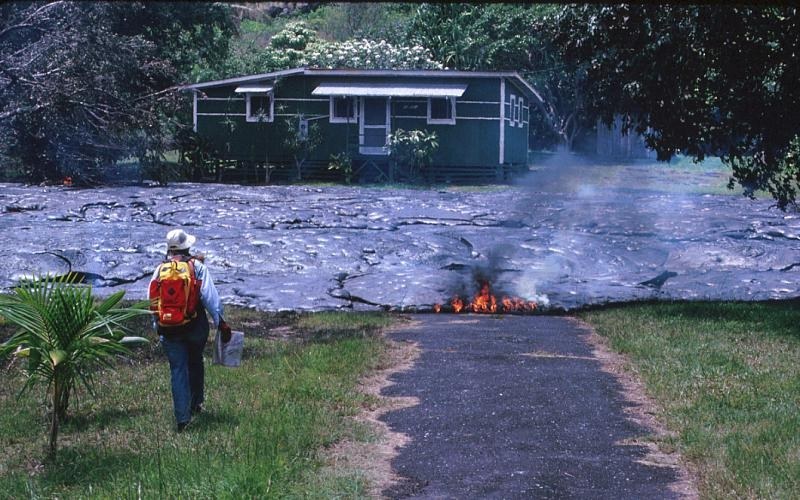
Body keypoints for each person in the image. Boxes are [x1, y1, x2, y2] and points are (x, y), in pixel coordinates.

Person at [149, 228, 231, 431]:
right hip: (195, 328)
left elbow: (152, 300)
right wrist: (221, 322)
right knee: (195, 361)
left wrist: (157, 325)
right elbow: (210, 298)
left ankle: (182, 419)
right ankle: (195, 403)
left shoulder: (160, 270)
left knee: (177, 369)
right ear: (188, 246)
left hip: (168, 329)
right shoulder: (197, 267)